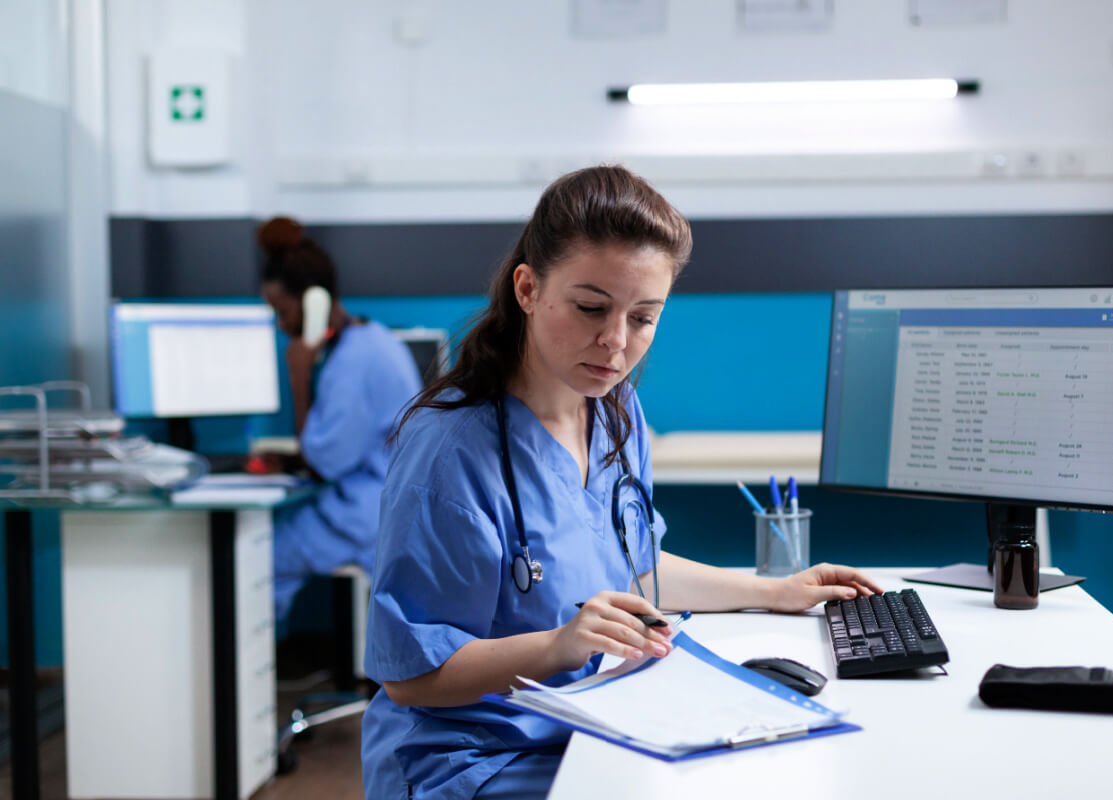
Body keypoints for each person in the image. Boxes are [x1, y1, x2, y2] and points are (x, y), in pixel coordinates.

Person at [361, 166, 882, 799]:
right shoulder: (451, 454)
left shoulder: (613, 412)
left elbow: (630, 569)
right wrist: (558, 645)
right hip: (475, 757)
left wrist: (773, 591)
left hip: (591, 723)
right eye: (590, 308)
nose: (614, 343)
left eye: (643, 318)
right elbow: (411, 677)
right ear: (527, 288)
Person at [258, 216, 424, 624]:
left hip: (367, 515)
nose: (281, 327)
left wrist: (299, 376)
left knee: (256, 558)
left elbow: (322, 462)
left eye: (282, 312)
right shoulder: (375, 339)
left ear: (314, 301)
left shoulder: (351, 363)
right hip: (384, 504)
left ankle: (245, 680)